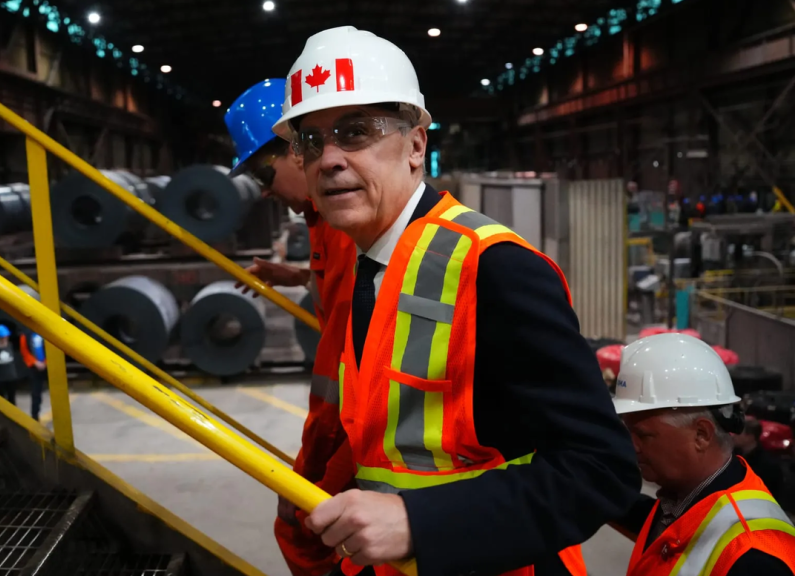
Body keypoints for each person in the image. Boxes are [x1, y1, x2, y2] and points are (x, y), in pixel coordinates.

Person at [272, 26, 641, 576]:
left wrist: (418, 522)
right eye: (310, 141)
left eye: (356, 132)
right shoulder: (368, 263)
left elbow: (600, 469)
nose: (328, 159)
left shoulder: (494, 268)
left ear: (417, 144)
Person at [227, 78, 358, 576]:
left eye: (264, 170)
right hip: (336, 416)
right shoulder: (320, 218)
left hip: (347, 424)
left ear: (299, 150)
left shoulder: (345, 225)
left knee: (302, 529)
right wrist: (300, 276)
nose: (263, 188)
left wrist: (330, 463)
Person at [613, 333, 795, 575]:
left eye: (644, 435)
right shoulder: (680, 500)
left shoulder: (753, 557)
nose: (632, 446)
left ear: (701, 434)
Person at [734, 417, 787, 505]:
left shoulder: (768, 466)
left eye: (739, 433)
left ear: (750, 437)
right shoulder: (734, 456)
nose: (734, 436)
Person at [0, 325, 22, 404]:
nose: (4, 339)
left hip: (11, 378)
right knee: (1, 401)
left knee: (12, 399)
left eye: (5, 337)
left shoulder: (10, 345)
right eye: (2, 337)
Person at [19, 331, 47, 422]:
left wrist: (46, 362)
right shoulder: (25, 336)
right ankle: (35, 415)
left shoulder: (46, 333)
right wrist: (35, 362)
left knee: (57, 389)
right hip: (34, 367)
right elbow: (24, 351)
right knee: (35, 392)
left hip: (48, 365)